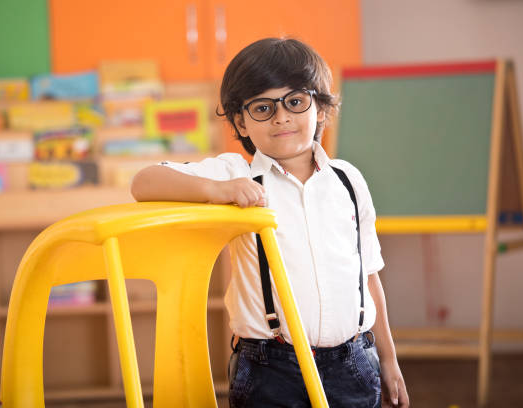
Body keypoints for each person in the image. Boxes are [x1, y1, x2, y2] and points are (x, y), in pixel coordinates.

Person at [131, 37, 409, 408]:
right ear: (241, 123)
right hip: (270, 368)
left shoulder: (348, 180)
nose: (281, 117)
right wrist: (217, 190)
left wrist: (388, 359)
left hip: (355, 361)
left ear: (321, 109)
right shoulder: (238, 172)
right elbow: (144, 182)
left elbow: (369, 274)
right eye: (263, 108)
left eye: (295, 102)